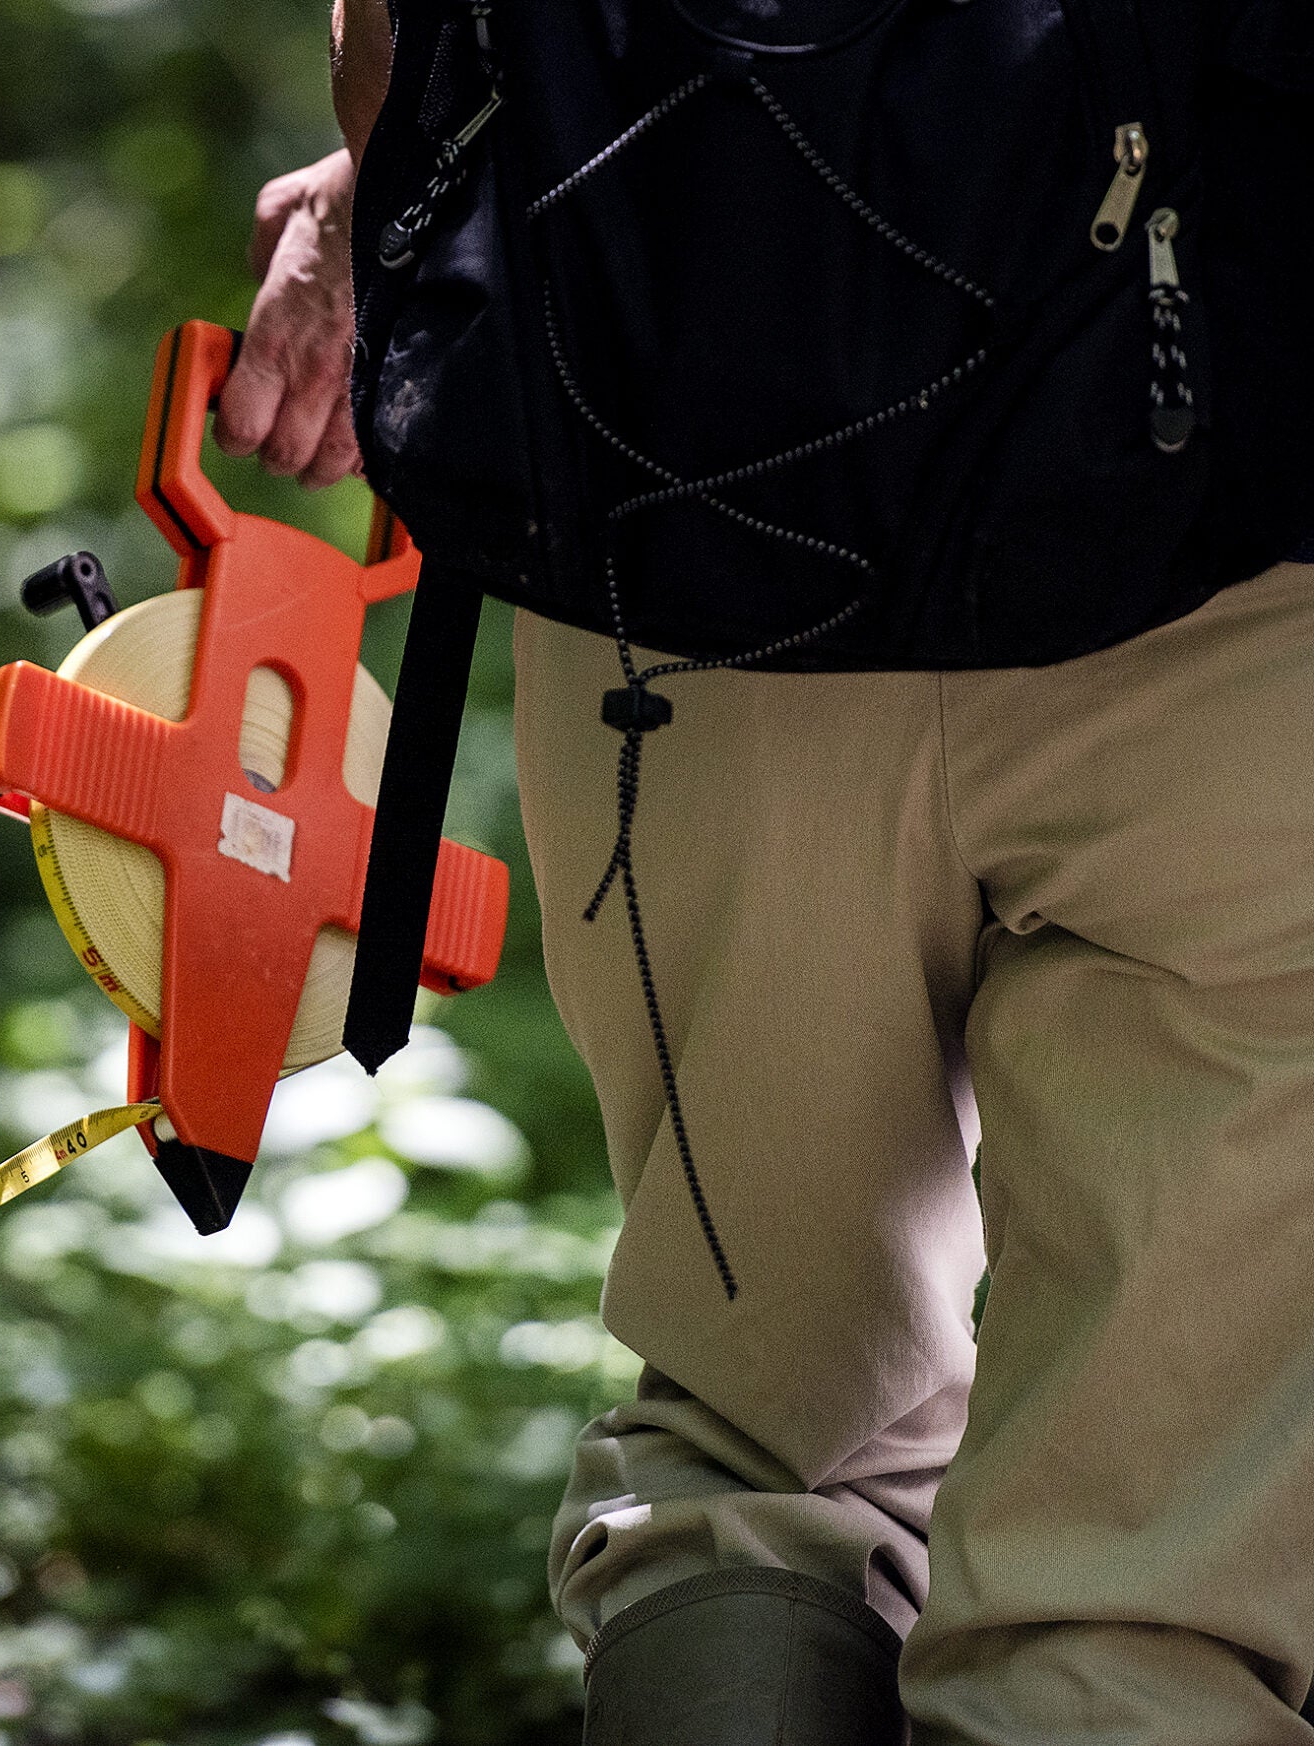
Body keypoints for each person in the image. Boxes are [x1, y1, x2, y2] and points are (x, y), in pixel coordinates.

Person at [222, 2, 1314, 1741]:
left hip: (692, 563)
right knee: (1146, 1568)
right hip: (1236, 596)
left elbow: (400, 34)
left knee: (762, 1445)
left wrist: (383, 189)